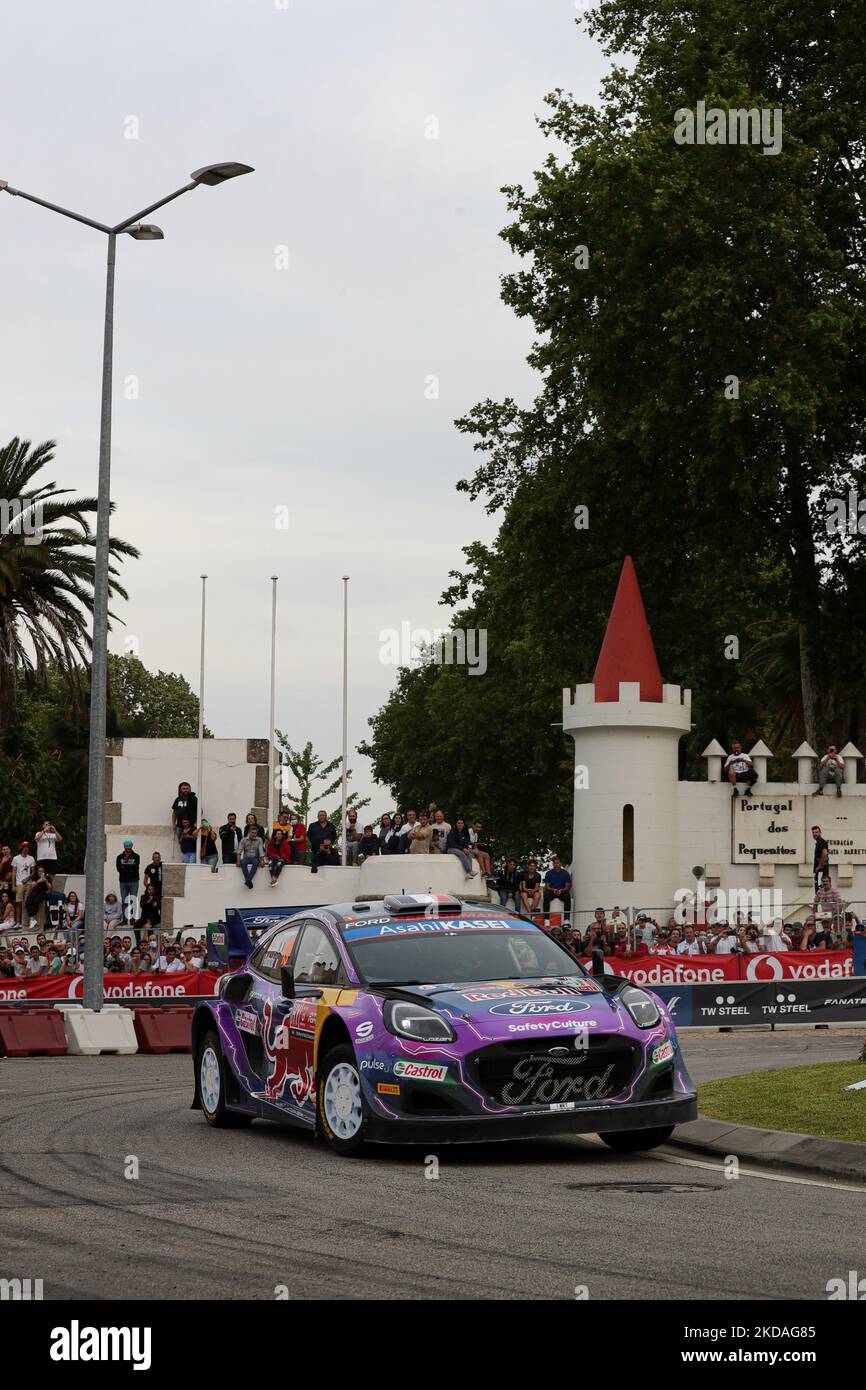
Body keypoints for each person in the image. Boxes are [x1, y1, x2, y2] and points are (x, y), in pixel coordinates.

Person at [116, 840, 141, 922]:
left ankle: (133, 918)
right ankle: (125, 919)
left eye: (129, 845)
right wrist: (129, 868)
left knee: (133, 899)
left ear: (132, 846)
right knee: (124, 900)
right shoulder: (119, 857)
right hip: (123, 881)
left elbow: (135, 867)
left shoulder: (136, 856)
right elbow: (119, 869)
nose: (128, 847)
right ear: (124, 846)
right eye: (126, 846)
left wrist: (125, 867)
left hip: (134, 881)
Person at [11, 841, 35, 925]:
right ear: (21, 848)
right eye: (24, 847)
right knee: (18, 903)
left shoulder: (31, 858)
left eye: (27, 847)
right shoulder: (16, 858)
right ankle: (18, 922)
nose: (26, 848)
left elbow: (33, 872)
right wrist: (13, 885)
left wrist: (28, 878)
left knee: (27, 902)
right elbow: (13, 872)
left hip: (28, 883)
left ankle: (26, 922)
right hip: (19, 883)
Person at [171, 782, 198, 850]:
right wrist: (173, 824)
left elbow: (200, 811)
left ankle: (193, 857)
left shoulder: (194, 799)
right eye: (184, 789)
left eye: (187, 788)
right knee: (181, 841)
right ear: (180, 790)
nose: (185, 790)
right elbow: (174, 812)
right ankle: (184, 857)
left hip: (191, 825)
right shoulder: (178, 799)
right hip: (180, 825)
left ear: (190, 789)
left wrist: (196, 822)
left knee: (192, 842)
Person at [811, 824, 830, 891]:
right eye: (813, 833)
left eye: (816, 832)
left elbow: (824, 853)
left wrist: (819, 866)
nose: (814, 834)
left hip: (821, 871)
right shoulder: (818, 842)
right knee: (819, 888)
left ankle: (820, 901)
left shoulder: (822, 842)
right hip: (820, 871)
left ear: (820, 833)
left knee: (820, 889)